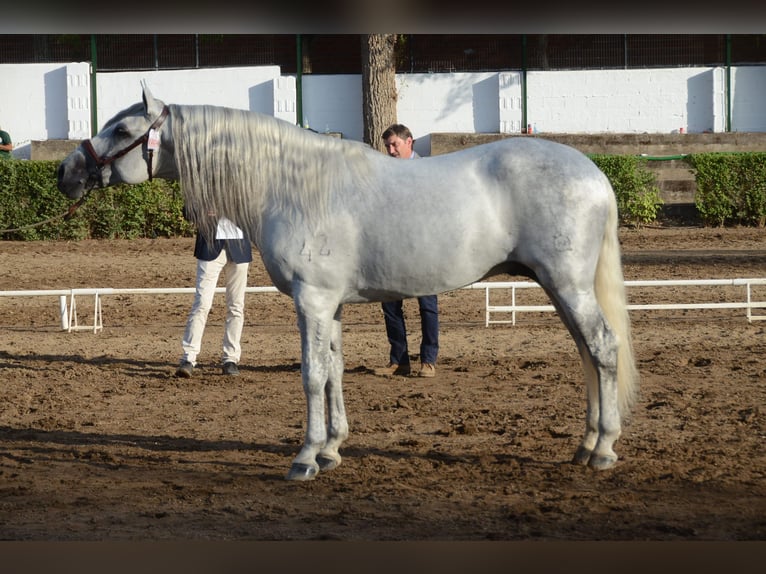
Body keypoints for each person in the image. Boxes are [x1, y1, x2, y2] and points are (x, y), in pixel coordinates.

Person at [374, 124, 439, 378]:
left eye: (394, 145)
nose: (390, 150)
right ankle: (399, 360)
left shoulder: (427, 171)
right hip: (392, 248)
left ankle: (429, 360)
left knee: (427, 306)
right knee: (390, 307)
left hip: (422, 247)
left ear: (409, 142)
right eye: (388, 146)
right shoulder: (384, 173)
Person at [175, 215, 252, 377]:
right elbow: (188, 210)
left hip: (239, 247)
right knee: (202, 304)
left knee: (236, 306)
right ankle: (189, 357)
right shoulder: (204, 188)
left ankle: (230, 359)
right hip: (210, 246)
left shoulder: (243, 188)